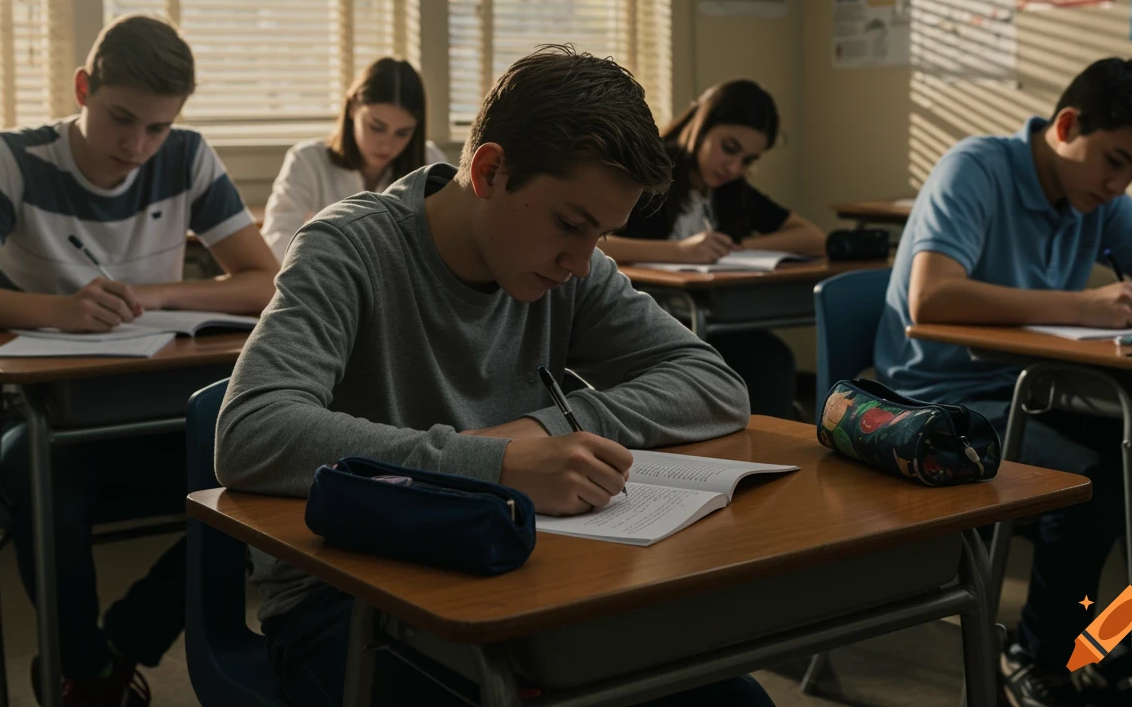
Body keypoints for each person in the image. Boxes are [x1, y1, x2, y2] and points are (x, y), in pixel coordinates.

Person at [215, 46, 773, 707]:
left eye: (601, 236)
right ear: (489, 171)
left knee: (736, 702)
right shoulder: (347, 247)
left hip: (524, 571)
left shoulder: (570, 269)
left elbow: (714, 384)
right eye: (570, 225)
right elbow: (251, 432)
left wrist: (544, 429)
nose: (581, 262)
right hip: (349, 599)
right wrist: (495, 465)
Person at [0, 14, 281, 707]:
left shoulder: (187, 156)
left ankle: (123, 643)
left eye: (158, 127)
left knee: (261, 470)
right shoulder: (13, 158)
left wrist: (157, 293)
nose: (137, 146)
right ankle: (83, 672)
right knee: (42, 470)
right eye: (121, 119)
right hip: (35, 420)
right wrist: (58, 308)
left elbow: (267, 282)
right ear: (83, 88)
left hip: (146, 410)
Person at [872, 58, 1132, 707]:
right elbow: (932, 297)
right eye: (1114, 161)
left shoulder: (1098, 199)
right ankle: (1037, 658)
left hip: (1039, 389)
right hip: (941, 400)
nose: (1119, 184)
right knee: (1090, 483)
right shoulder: (975, 169)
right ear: (1067, 125)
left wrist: (1130, 302)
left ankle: (1122, 647)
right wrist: (1085, 307)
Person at [602, 79, 825, 419]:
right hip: (644, 315)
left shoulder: (731, 189)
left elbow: (812, 237)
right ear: (702, 125)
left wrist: (736, 247)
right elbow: (596, 244)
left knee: (771, 359)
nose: (734, 167)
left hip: (707, 320)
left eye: (748, 160)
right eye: (729, 148)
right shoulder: (647, 171)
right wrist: (680, 251)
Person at [261, 57, 447, 260]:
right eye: (376, 127)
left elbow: (450, 240)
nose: (387, 145)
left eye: (402, 133)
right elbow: (278, 234)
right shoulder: (308, 161)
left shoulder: (431, 164)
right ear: (353, 108)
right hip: (325, 274)